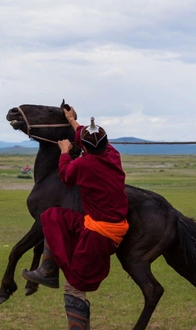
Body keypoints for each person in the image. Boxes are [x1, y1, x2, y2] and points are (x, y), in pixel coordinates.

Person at [22, 105, 129, 329]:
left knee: (75, 285)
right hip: (95, 222)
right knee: (52, 216)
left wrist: (63, 152)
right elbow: (85, 136)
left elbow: (65, 175)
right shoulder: (112, 153)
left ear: (85, 149)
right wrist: (72, 120)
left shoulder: (84, 165)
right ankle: (48, 269)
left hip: (100, 234)